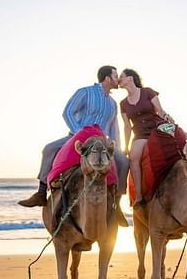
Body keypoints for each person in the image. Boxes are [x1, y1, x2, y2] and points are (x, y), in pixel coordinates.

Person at [18, 65, 130, 227]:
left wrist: (115, 148)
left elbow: (114, 128)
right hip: (76, 137)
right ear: (107, 78)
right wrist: (80, 134)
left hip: (102, 142)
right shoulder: (85, 92)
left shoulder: (113, 103)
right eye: (115, 75)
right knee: (49, 148)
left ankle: (116, 204)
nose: (118, 79)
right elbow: (68, 112)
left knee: (124, 162)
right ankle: (41, 192)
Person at [119, 69, 173, 210]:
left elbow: (160, 111)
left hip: (157, 128)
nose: (119, 79)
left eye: (121, 77)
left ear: (130, 78)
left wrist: (169, 123)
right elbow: (127, 126)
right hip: (140, 134)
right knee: (133, 157)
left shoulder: (148, 92)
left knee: (181, 141)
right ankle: (139, 197)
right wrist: (126, 146)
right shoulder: (123, 103)